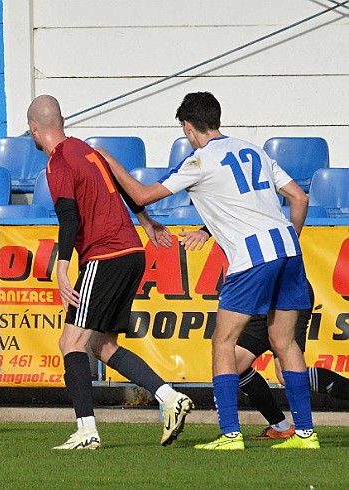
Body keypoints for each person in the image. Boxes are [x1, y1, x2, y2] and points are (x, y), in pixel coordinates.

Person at [104, 91, 317, 449]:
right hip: (288, 251)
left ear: (188, 127)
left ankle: (230, 434)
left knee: (222, 340)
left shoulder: (199, 161)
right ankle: (306, 435)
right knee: (284, 342)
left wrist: (108, 160)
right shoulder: (255, 151)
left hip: (252, 257)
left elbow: (141, 196)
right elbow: (300, 198)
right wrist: (287, 238)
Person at [25, 95, 194, 450]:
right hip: (131, 252)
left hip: (106, 255)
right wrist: (146, 221)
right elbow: (122, 185)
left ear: (35, 129)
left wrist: (61, 267)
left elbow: (68, 217)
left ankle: (87, 431)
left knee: (70, 342)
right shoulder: (91, 152)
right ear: (64, 119)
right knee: (102, 345)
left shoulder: (58, 164)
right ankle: (169, 397)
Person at [182, 229, 349, 438]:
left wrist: (144, 216)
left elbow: (300, 198)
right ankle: (280, 426)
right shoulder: (234, 213)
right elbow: (298, 199)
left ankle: (299, 431)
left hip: (282, 290)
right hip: (259, 290)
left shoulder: (256, 213)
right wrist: (205, 231)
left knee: (283, 374)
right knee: (231, 363)